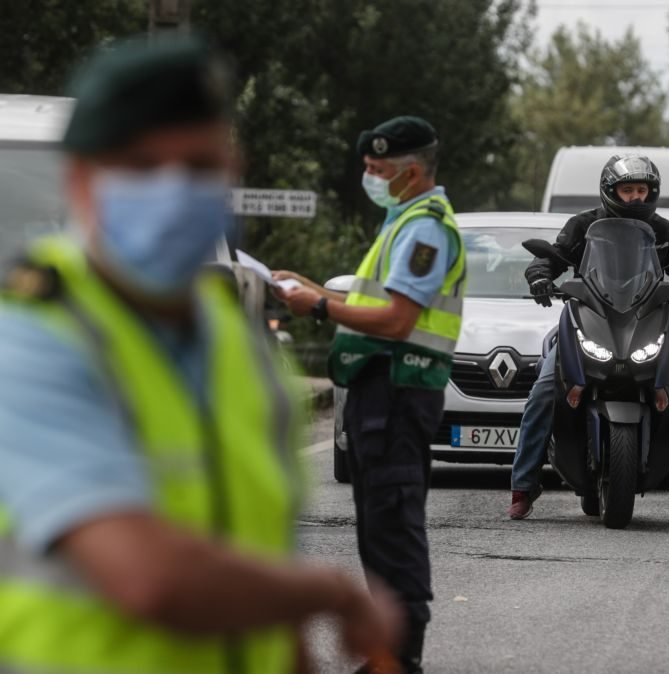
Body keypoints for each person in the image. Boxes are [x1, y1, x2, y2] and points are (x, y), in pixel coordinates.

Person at [0, 36, 396, 674]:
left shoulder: (235, 338)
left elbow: (264, 560)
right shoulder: (32, 335)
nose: (173, 189)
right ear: (80, 181)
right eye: (141, 166)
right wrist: (333, 592)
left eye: (199, 165)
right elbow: (147, 578)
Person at [275, 115, 463, 674]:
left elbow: (398, 318)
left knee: (393, 519)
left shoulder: (426, 228)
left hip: (399, 388)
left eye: (377, 168)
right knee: (377, 523)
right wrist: (310, 288)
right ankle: (389, 653)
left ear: (409, 171)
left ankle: (401, 657)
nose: (369, 176)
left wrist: (317, 306)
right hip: (379, 391)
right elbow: (374, 302)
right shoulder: (402, 221)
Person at [507, 154, 669, 524]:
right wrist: (539, 275)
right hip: (589, 319)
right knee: (543, 390)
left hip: (645, 322)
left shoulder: (665, 232)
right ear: (610, 191)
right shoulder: (583, 225)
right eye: (627, 189)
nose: (635, 197)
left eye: (642, 190)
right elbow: (552, 260)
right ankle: (524, 484)